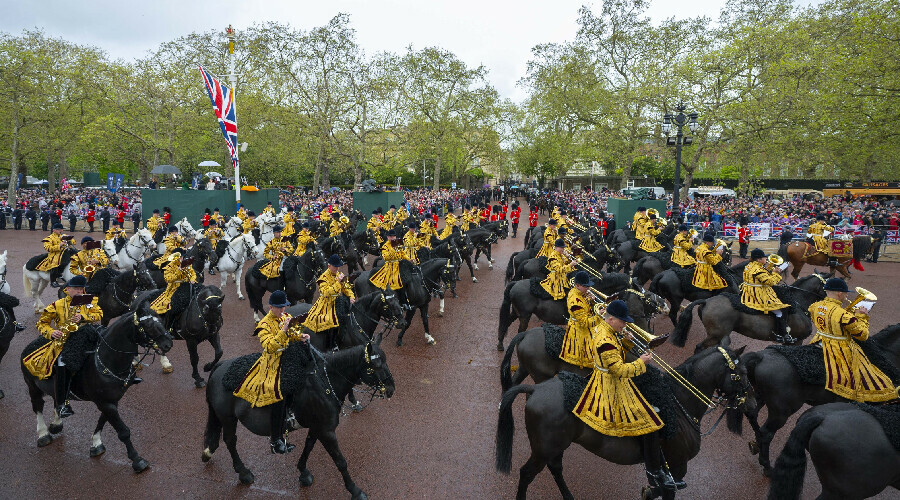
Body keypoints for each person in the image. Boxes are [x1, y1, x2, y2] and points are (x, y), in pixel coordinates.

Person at [573, 299, 679, 492]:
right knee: (649, 423)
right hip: (610, 386)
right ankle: (654, 473)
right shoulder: (606, 340)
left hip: (607, 377)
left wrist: (627, 341)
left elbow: (616, 354)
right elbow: (620, 370)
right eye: (622, 322)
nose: (624, 325)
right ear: (611, 319)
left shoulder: (606, 330)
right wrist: (641, 362)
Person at [233, 290, 310, 454]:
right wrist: (283, 331)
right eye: (279, 307)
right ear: (271, 307)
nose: (283, 310)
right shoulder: (263, 325)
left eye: (284, 307)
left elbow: (292, 334)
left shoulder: (285, 316)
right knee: (278, 394)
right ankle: (275, 440)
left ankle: (291, 413)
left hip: (287, 357)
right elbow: (269, 346)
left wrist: (300, 336)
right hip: (272, 363)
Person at [23, 276, 103, 418]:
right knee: (62, 362)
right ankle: (62, 404)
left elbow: (99, 314)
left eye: (81, 289)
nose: (79, 291)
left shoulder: (88, 301)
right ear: (68, 289)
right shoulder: (56, 305)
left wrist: (83, 317)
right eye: (76, 289)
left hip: (88, 336)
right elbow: (41, 324)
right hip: (65, 340)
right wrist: (51, 332)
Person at [807, 278, 898, 402]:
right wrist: (861, 316)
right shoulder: (843, 315)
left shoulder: (815, 306)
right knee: (868, 371)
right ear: (840, 293)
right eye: (845, 293)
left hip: (819, 340)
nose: (846, 296)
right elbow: (863, 335)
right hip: (838, 347)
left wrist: (848, 314)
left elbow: (830, 319)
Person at [302, 254, 356, 344]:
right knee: (330, 321)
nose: (337, 269)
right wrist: (338, 282)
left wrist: (351, 296)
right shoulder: (323, 278)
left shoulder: (339, 274)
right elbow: (326, 293)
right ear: (329, 266)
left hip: (339, 301)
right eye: (335, 267)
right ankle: (332, 343)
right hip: (326, 303)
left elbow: (346, 287)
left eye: (338, 266)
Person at [741, 249, 792, 343]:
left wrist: (770, 268)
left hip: (749, 290)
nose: (766, 259)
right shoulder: (758, 269)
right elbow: (770, 282)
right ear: (759, 259)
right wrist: (776, 273)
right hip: (758, 293)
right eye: (764, 258)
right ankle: (779, 334)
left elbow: (762, 274)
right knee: (779, 311)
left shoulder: (750, 265)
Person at [560, 271, 601, 368]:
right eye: (586, 286)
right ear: (577, 285)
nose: (588, 289)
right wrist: (599, 316)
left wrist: (592, 301)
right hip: (579, 330)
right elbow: (585, 323)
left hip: (585, 323)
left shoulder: (579, 293)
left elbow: (585, 307)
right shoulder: (575, 301)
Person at [150, 252, 198, 328]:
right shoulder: (169, 267)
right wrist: (178, 271)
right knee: (173, 307)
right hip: (174, 288)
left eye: (181, 257)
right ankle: (169, 326)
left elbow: (192, 273)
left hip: (187, 285)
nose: (181, 259)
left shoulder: (186, 264)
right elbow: (168, 279)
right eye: (179, 258)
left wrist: (192, 279)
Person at [370, 229, 408, 306]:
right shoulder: (385, 246)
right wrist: (393, 249)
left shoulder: (397, 243)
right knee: (394, 281)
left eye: (394, 236)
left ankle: (407, 300)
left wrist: (409, 259)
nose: (393, 238)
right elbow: (386, 257)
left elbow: (402, 254)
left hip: (399, 265)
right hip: (390, 267)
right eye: (391, 236)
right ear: (388, 237)